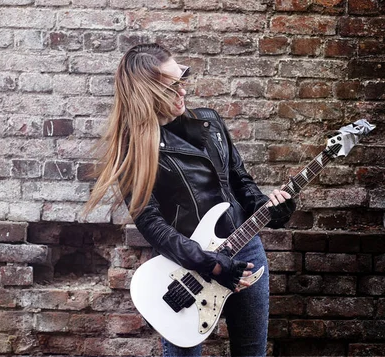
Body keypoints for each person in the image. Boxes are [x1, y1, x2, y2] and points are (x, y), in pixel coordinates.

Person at [83, 43, 296, 357]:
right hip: (184, 268)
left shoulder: (209, 123)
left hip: (245, 249)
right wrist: (209, 263)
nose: (183, 91)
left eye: (182, 80)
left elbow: (241, 183)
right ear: (147, 94)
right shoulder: (135, 150)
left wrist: (270, 209)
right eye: (172, 87)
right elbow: (152, 225)